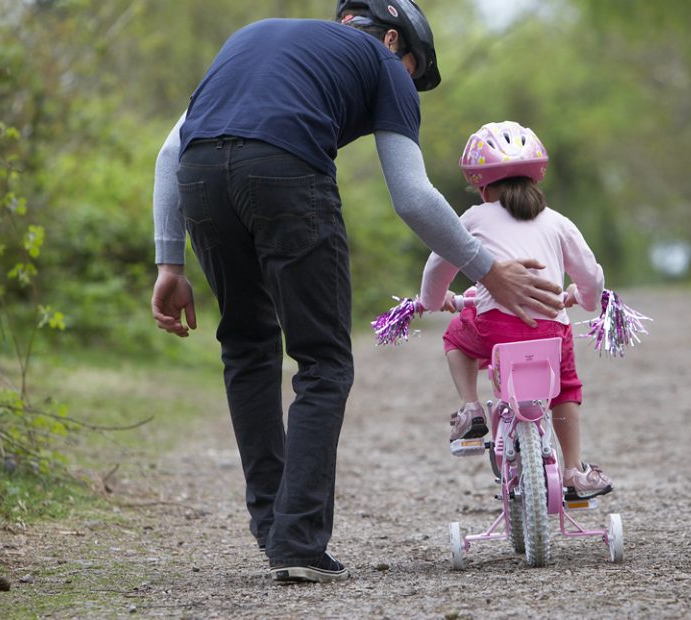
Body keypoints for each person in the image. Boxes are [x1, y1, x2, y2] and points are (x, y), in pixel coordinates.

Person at [150, 2, 564, 584]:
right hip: (286, 172)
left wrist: (169, 262)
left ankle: (274, 528)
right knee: (322, 361)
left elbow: (172, 152)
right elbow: (412, 197)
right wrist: (488, 269)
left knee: (246, 347)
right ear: (394, 40)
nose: (406, 87)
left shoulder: (249, 40)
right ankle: (296, 542)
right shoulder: (385, 62)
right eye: (414, 71)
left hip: (199, 179)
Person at [418, 120, 613, 501]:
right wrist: (584, 298)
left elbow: (438, 265)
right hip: (551, 331)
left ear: (481, 184)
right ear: (536, 179)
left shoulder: (473, 218)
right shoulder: (558, 222)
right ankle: (573, 469)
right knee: (565, 388)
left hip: (495, 329)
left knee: (457, 335)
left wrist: (431, 300)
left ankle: (471, 407)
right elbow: (591, 275)